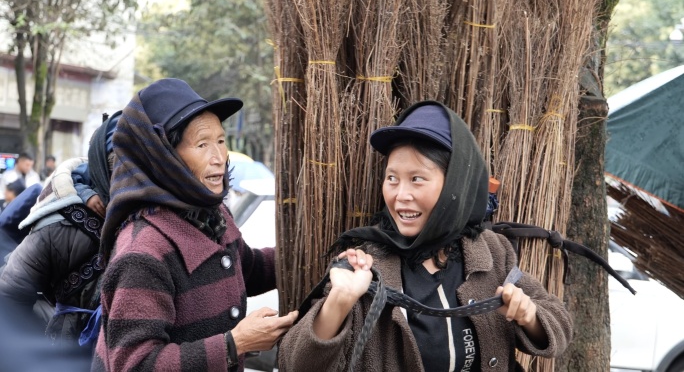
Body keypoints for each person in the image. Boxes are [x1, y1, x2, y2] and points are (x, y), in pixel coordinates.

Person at [279, 101, 573, 371]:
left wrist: (529, 315)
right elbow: (295, 363)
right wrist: (340, 301)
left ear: (454, 185)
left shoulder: (492, 253)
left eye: (417, 179)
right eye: (392, 178)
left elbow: (560, 327)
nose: (400, 195)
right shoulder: (366, 267)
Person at [92, 78, 297, 372]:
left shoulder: (212, 216)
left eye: (221, 141)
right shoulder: (142, 252)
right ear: (164, 157)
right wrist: (234, 344)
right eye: (202, 144)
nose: (219, 158)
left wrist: (317, 255)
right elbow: (136, 365)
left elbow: (248, 269)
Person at [0, 112, 121, 360]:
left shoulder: (160, 217)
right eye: (122, 164)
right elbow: (10, 298)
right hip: (66, 348)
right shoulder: (59, 225)